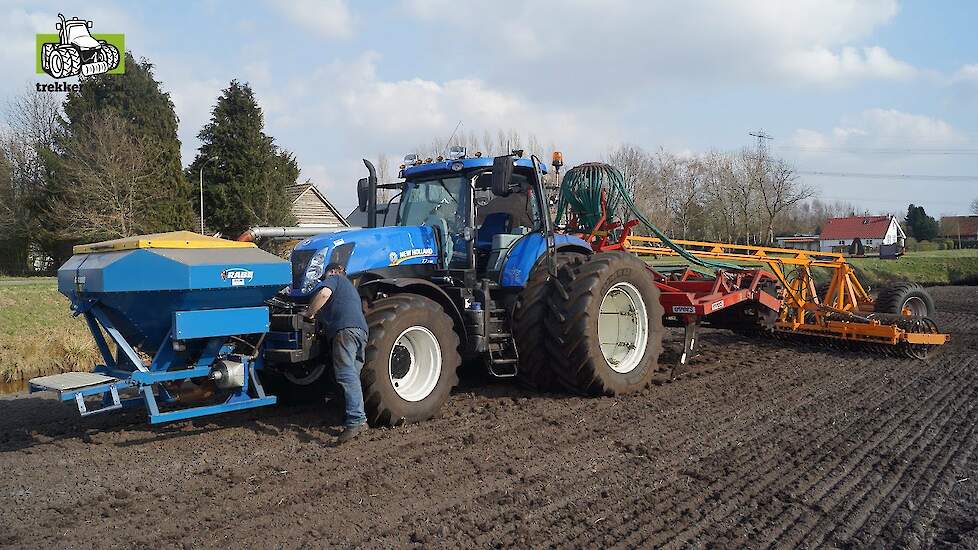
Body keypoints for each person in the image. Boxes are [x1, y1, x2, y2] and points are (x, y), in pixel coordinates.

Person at [305, 263, 369, 443]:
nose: (325, 279)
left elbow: (324, 294)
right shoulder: (352, 289)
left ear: (334, 271)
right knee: (353, 376)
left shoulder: (335, 279)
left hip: (345, 331)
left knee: (346, 375)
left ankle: (355, 421)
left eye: (325, 275)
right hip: (361, 332)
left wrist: (310, 312)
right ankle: (360, 419)